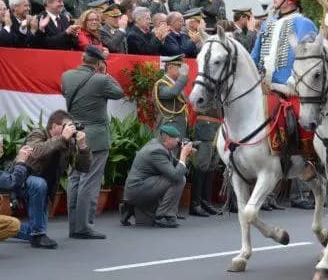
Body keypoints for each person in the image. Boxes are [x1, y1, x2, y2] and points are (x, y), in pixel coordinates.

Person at [251, 0, 318, 209]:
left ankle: (311, 160)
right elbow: (255, 55)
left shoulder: (303, 23)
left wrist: (294, 80)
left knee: (303, 119)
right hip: (266, 88)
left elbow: (310, 57)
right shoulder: (268, 24)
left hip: (292, 89)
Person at [61, 45, 124, 239]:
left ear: (82, 58)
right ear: (98, 63)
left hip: (73, 134)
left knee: (74, 180)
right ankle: (84, 226)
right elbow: (119, 92)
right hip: (95, 137)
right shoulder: (101, 79)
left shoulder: (67, 76)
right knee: (89, 181)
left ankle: (74, 226)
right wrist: (105, 72)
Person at [19, 110, 90, 250]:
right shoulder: (38, 134)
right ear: (55, 126)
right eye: (67, 125)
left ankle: (10, 229)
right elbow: (36, 152)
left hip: (45, 189)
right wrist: (62, 139)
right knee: (39, 184)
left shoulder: (68, 143)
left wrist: (82, 147)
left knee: (31, 231)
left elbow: (83, 168)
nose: (70, 129)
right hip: (23, 181)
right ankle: (38, 235)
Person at [120, 125, 196, 227]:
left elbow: (177, 166)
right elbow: (176, 176)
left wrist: (186, 156)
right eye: (176, 138)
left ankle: (131, 208)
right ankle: (164, 216)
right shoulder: (157, 151)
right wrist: (183, 155)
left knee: (147, 222)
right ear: (168, 138)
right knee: (179, 180)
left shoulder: (160, 146)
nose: (178, 140)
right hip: (138, 189)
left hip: (143, 187)